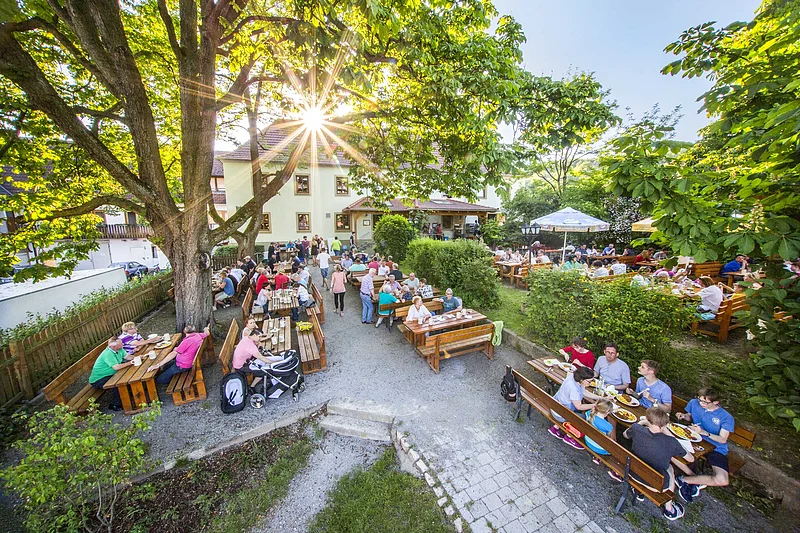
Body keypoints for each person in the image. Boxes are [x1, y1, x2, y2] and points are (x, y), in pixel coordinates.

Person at [623, 408, 692, 521]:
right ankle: (669, 509)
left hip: (632, 471)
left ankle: (638, 491)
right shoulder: (671, 442)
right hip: (656, 485)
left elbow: (625, 435)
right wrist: (668, 433)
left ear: (647, 419)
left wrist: (640, 423)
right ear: (666, 424)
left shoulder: (636, 429)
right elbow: (691, 458)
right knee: (670, 468)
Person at [674, 387, 735, 503]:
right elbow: (690, 417)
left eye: (705, 402)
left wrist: (704, 432)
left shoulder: (726, 417)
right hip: (693, 440)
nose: (701, 403)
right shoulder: (694, 403)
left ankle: (685, 480)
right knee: (670, 449)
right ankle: (694, 478)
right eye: (700, 400)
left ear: (716, 402)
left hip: (715, 448)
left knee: (722, 479)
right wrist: (683, 416)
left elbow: (722, 439)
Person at [548, 365, 596, 450]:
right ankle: (570, 437)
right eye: (589, 381)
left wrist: (601, 398)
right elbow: (579, 406)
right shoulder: (574, 389)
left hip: (555, 406)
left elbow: (584, 392)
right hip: (561, 414)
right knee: (585, 418)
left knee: (578, 413)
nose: (591, 383)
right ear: (582, 380)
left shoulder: (573, 378)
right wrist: (595, 405)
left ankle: (555, 428)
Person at [89, 337, 134, 411]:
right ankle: (115, 404)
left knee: (126, 374)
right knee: (117, 383)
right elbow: (116, 367)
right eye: (120, 344)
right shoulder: (108, 354)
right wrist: (130, 363)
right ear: (114, 347)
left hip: (110, 374)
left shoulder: (119, 349)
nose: (123, 344)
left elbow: (128, 356)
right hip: (99, 379)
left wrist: (136, 358)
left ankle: (127, 393)